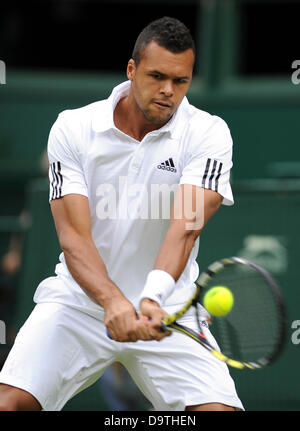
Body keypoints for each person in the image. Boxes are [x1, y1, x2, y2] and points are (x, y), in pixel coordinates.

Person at [0, 16, 243, 411]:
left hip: (168, 309)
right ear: (131, 70)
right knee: (9, 404)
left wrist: (152, 298)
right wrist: (113, 302)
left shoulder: (209, 134)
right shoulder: (74, 128)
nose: (167, 91)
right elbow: (74, 238)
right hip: (79, 303)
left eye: (180, 81)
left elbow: (185, 228)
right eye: (157, 76)